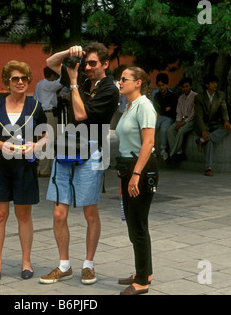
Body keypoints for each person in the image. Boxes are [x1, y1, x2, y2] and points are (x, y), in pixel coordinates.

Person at [40, 42, 119, 285]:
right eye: (86, 63)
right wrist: (70, 53)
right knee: (58, 212)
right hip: (66, 147)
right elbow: (50, 63)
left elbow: (82, 115)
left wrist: (73, 82)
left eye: (93, 63)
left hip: (93, 150)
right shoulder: (82, 78)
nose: (88, 68)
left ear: (105, 64)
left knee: (89, 211)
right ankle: (64, 265)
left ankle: (88, 264)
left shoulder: (109, 89)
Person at [0, 60, 48, 282]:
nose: (20, 82)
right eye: (15, 79)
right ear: (7, 82)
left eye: (24, 79)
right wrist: (0, 145)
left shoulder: (35, 106)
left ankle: (26, 261)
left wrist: (37, 145)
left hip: (24, 167)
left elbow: (46, 134)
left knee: (24, 214)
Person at [115, 66, 158, 295]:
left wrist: (136, 175)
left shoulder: (144, 106)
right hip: (129, 169)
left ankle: (142, 281)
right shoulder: (129, 106)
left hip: (141, 170)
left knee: (138, 226)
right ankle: (145, 271)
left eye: (124, 79)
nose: (120, 82)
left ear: (138, 82)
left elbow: (148, 143)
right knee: (134, 224)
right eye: (119, 79)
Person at [194, 74, 231, 176]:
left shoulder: (220, 95)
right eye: (212, 83)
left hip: (215, 123)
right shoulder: (199, 97)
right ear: (207, 85)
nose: (215, 85)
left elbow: (224, 109)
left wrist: (226, 121)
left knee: (226, 129)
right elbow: (198, 116)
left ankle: (201, 141)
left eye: (216, 82)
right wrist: (203, 131)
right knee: (209, 142)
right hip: (204, 124)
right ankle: (208, 168)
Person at [34, 67, 62, 177]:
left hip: (40, 114)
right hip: (48, 114)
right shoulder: (49, 84)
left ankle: (41, 168)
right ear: (52, 76)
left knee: (42, 142)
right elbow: (62, 81)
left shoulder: (39, 84)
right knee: (49, 142)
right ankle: (46, 170)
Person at [166, 77, 197, 162]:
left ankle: (172, 154)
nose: (185, 89)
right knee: (170, 130)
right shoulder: (180, 98)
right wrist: (178, 122)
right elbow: (179, 112)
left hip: (191, 121)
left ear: (191, 86)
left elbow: (193, 114)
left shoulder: (195, 96)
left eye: (187, 86)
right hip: (182, 120)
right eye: (183, 87)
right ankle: (179, 153)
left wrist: (183, 123)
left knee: (181, 131)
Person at [153, 73, 177, 161]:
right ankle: (151, 150)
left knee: (164, 129)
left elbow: (173, 111)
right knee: (152, 128)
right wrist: (165, 109)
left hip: (169, 118)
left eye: (163, 85)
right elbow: (157, 109)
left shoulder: (173, 96)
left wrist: (164, 110)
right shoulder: (156, 96)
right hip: (160, 117)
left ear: (167, 85)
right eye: (159, 86)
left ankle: (163, 151)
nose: (161, 87)